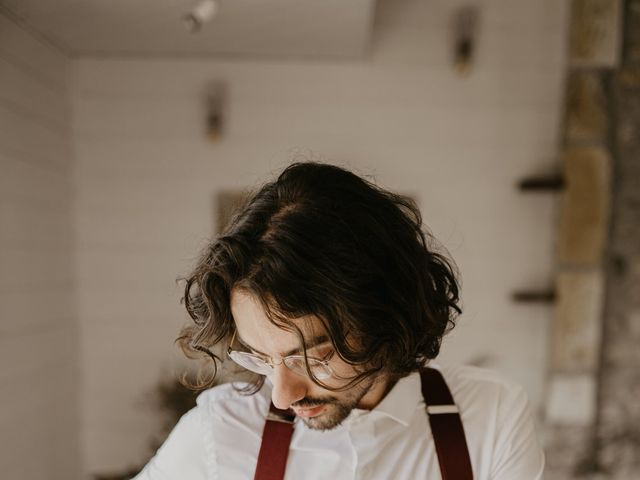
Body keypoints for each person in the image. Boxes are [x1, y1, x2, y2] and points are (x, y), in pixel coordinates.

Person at [133, 162, 544, 479]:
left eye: (314, 358)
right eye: (262, 358)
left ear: (384, 316)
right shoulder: (217, 432)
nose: (282, 396)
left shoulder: (490, 418)